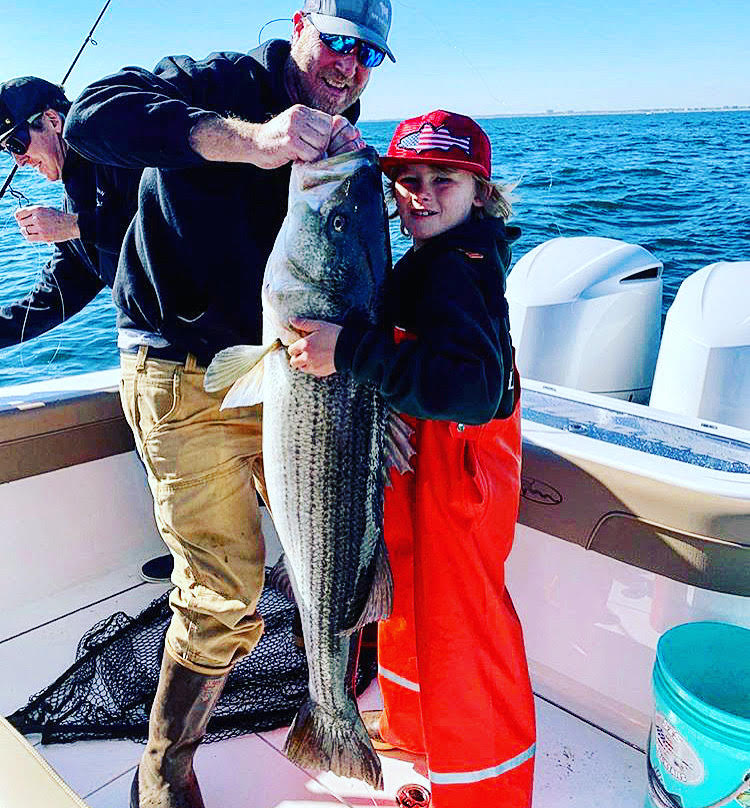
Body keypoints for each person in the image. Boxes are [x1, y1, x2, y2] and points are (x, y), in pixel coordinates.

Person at [63, 3, 394, 806]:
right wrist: (251, 141)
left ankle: (335, 710)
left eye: (371, 55)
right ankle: (164, 775)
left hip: (294, 371)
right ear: (301, 24)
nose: (350, 67)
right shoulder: (217, 82)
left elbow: (363, 284)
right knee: (224, 592)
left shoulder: (344, 147)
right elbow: (88, 120)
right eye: (340, 41)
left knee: (345, 542)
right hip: (180, 369)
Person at [288, 109, 537, 807]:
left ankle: (486, 786)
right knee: (406, 608)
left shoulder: (462, 269)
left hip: (464, 477)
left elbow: (476, 389)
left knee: (461, 631)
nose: (421, 194)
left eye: (444, 181)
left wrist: (353, 350)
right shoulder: (429, 261)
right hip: (423, 468)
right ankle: (415, 731)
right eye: (409, 180)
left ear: (481, 193)